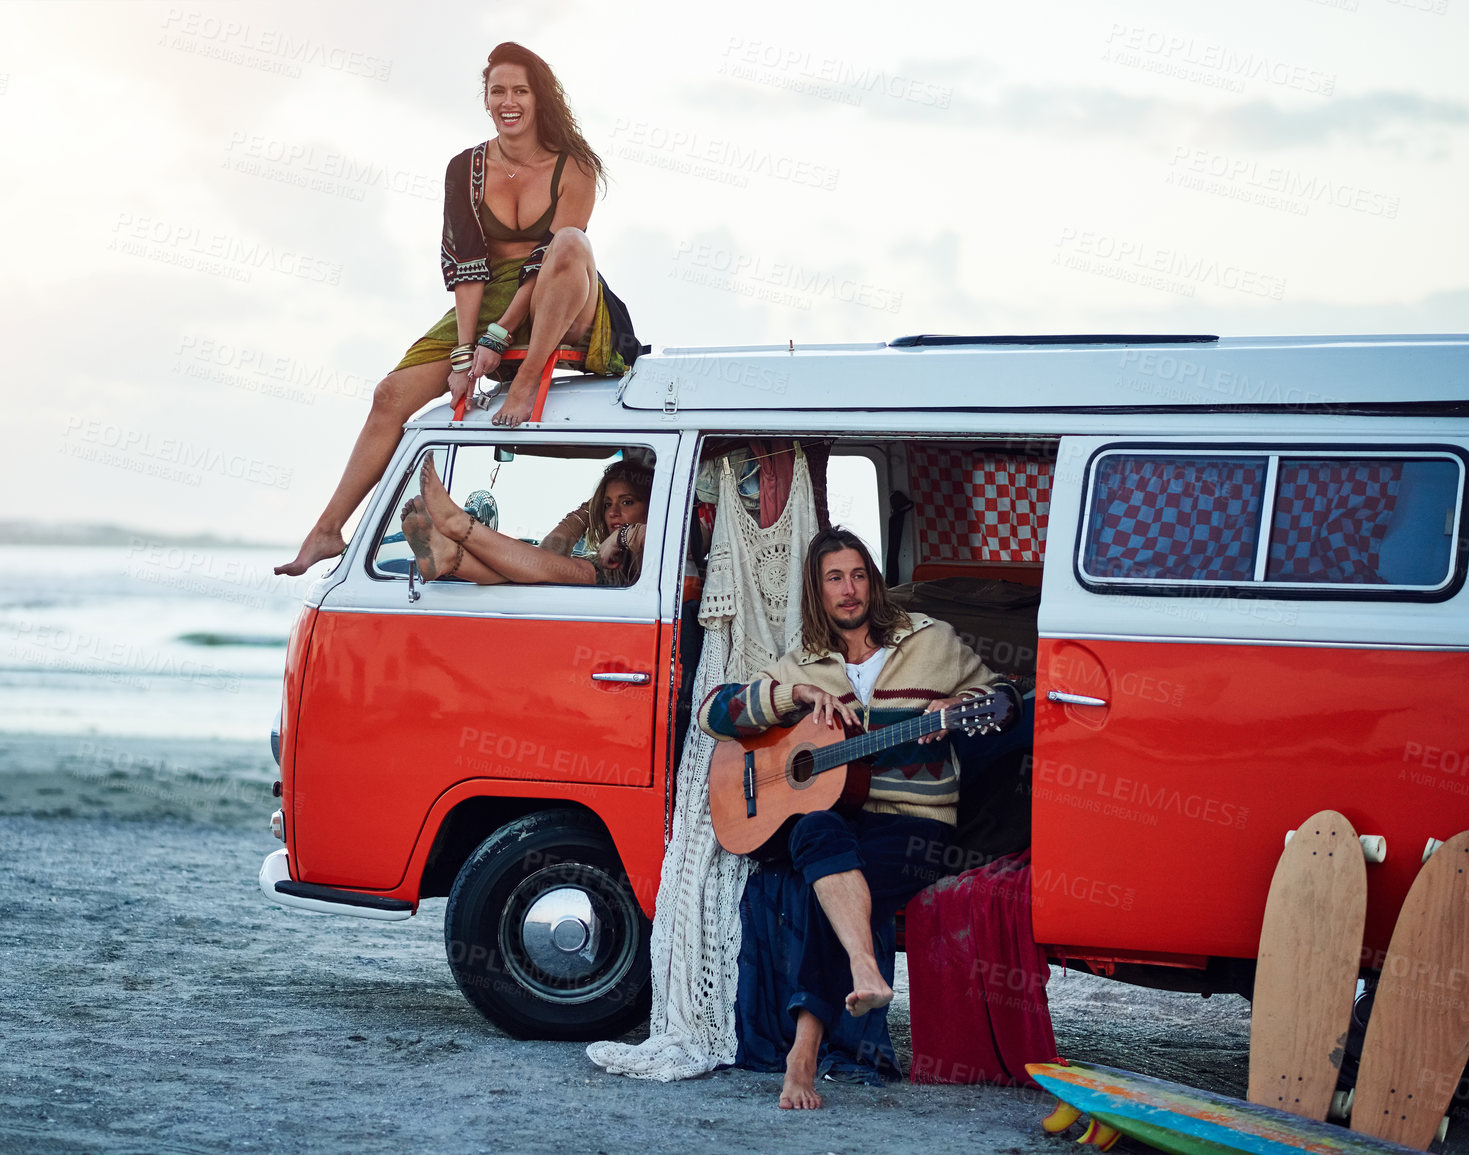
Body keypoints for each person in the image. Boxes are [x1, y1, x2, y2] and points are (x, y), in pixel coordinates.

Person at [276, 42, 640, 578]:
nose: (508, 101)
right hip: (488, 292)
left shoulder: (575, 167)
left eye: (520, 90)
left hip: (564, 293)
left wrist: (499, 341)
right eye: (498, 91)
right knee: (388, 396)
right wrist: (467, 350)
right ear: (486, 99)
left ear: (539, 99)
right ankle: (327, 530)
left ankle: (529, 375)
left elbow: (545, 263)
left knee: (567, 243)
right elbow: (467, 267)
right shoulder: (465, 168)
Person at [700, 527, 1018, 1110]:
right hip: (839, 822)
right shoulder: (802, 663)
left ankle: (802, 1052)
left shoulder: (932, 641)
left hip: (915, 822)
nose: (849, 590)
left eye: (858, 575)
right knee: (819, 836)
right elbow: (713, 713)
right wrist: (789, 697)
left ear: (872, 580)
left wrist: (957, 706)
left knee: (831, 886)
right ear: (816, 593)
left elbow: (1008, 699)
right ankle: (864, 970)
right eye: (834, 579)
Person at [401, 456, 648, 587]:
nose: (613, 512)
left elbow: (668, 539)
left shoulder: (668, 540)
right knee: (536, 567)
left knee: (578, 572)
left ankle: (457, 527)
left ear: (650, 507)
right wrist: (589, 508)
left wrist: (623, 536)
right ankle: (448, 556)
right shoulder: (612, 556)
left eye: (627, 502)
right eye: (607, 505)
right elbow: (550, 550)